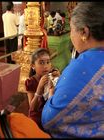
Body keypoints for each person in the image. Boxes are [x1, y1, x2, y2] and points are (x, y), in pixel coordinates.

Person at [41, 2, 104, 138]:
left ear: (84, 32)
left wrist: (51, 97)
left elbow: (50, 121)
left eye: (72, 30)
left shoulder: (80, 70)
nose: (70, 35)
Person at [25, 48, 60, 129]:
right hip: (37, 117)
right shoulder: (31, 82)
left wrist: (59, 79)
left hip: (49, 113)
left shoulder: (51, 77)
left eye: (48, 62)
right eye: (41, 63)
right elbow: (32, 108)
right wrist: (39, 88)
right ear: (33, 66)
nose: (45, 66)